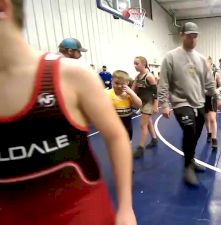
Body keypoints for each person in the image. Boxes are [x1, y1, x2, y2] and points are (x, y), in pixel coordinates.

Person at [0, 0, 137, 224]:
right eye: (75, 52)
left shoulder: (72, 75)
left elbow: (116, 135)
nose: (76, 56)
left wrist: (125, 208)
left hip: (80, 213)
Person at [158, 22, 221, 186]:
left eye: (195, 36)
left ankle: (191, 159)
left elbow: (209, 83)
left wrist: (218, 97)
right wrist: (164, 104)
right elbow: (164, 82)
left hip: (199, 103)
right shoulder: (171, 57)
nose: (193, 39)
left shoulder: (201, 59)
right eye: (190, 36)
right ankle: (187, 167)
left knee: (195, 134)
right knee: (189, 129)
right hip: (181, 103)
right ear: (182, 35)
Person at [132, 56, 159, 158]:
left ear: (143, 64)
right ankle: (154, 139)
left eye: (137, 63)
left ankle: (141, 148)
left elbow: (155, 93)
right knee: (148, 122)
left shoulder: (149, 77)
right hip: (142, 102)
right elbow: (132, 90)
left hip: (149, 103)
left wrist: (156, 105)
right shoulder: (138, 77)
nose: (135, 66)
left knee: (143, 124)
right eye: (134, 63)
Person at [106, 70, 142, 142]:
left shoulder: (128, 95)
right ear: (111, 81)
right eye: (116, 83)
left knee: (128, 142)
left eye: (122, 84)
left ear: (127, 83)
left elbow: (140, 104)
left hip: (127, 124)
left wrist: (131, 93)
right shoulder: (108, 93)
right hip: (113, 125)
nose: (119, 86)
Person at [205, 57, 221, 150]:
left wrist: (216, 90)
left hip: (212, 98)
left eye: (208, 64)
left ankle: (214, 139)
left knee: (212, 119)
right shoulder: (201, 75)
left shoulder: (215, 74)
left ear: (211, 65)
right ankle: (208, 133)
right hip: (203, 99)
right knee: (206, 119)